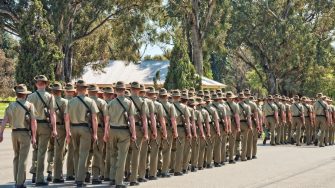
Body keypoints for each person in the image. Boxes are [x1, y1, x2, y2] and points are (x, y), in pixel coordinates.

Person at [0, 84, 37, 188]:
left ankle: (16, 179)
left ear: (17, 94)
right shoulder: (30, 105)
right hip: (24, 133)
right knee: (23, 158)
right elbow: (33, 122)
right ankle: (20, 183)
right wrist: (34, 136)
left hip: (14, 133)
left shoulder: (10, 105)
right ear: (25, 95)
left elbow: (4, 121)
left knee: (16, 157)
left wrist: (1, 133)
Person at [64, 80, 99, 187]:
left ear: (76, 89)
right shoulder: (90, 101)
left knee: (75, 153)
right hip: (85, 129)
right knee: (84, 154)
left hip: (73, 128)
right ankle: (80, 179)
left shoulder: (70, 102)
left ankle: (76, 177)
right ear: (85, 89)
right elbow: (94, 119)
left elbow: (66, 118)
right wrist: (95, 133)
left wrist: (67, 132)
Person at [103, 81, 136, 188]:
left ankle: (112, 178)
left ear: (115, 90)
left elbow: (107, 120)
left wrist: (106, 133)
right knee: (122, 157)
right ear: (124, 90)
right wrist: (134, 133)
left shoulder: (110, 103)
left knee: (113, 155)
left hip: (112, 130)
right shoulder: (129, 103)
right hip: (124, 131)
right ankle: (119, 181)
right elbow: (131, 120)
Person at [27, 75, 57, 186]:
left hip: (33, 126)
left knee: (35, 150)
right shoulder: (50, 96)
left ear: (36, 84)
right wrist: (54, 129)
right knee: (42, 153)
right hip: (44, 126)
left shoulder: (30, 97)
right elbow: (52, 114)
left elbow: (27, 114)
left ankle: (34, 173)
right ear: (45, 84)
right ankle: (40, 178)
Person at [127, 81, 149, 186]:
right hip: (137, 128)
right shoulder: (142, 102)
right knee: (136, 154)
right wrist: (146, 132)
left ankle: (125, 174)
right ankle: (134, 178)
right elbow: (144, 118)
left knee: (125, 153)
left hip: (125, 128)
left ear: (130, 89)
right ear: (139, 90)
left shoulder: (125, 100)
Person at [87, 84, 108, 184]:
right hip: (99, 129)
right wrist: (106, 131)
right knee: (98, 152)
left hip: (85, 128)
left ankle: (85, 173)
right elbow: (106, 118)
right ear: (97, 92)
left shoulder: (84, 101)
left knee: (86, 152)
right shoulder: (101, 102)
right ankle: (95, 176)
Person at [146, 87, 167, 180]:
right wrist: (164, 131)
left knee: (144, 152)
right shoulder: (158, 105)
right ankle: (152, 173)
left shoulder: (143, 102)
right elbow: (162, 120)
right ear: (154, 94)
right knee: (154, 152)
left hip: (143, 129)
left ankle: (143, 171)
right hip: (155, 130)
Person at [138, 85, 157, 182]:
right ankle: (142, 175)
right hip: (145, 129)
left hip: (131, 129)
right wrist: (154, 130)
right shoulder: (148, 102)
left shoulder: (130, 100)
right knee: (144, 153)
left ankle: (129, 173)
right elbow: (152, 118)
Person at [158, 88, 178, 178]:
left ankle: (156, 169)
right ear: (166, 96)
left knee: (156, 150)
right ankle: (164, 170)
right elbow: (173, 120)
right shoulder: (170, 106)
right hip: (168, 129)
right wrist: (175, 131)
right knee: (166, 151)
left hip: (157, 128)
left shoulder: (155, 105)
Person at [171, 90, 191, 176]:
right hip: (180, 129)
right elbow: (187, 120)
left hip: (169, 129)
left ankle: (169, 167)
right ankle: (177, 169)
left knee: (170, 150)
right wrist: (189, 132)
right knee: (180, 150)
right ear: (179, 97)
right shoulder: (184, 107)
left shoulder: (169, 106)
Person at [51, 82, 68, 183]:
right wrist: (68, 130)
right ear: (60, 91)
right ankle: (57, 176)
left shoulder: (48, 100)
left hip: (48, 126)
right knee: (59, 152)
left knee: (49, 151)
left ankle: (48, 172)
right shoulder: (64, 102)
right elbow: (66, 118)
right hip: (60, 127)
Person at [63, 83, 76, 181]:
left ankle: (56, 173)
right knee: (72, 150)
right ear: (72, 91)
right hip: (71, 126)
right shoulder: (73, 102)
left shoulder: (59, 100)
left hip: (59, 127)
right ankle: (70, 173)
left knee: (58, 151)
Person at [243, 89, 260, 160]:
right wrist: (258, 125)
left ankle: (244, 154)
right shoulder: (253, 104)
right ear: (249, 95)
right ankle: (252, 154)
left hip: (242, 122)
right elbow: (256, 116)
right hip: (252, 122)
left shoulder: (239, 103)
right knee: (253, 140)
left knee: (244, 140)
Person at [225, 91, 241, 164]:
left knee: (223, 142)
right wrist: (238, 126)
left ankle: (222, 158)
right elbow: (237, 116)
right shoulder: (235, 105)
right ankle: (231, 158)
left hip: (223, 124)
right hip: (232, 124)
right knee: (232, 142)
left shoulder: (223, 104)